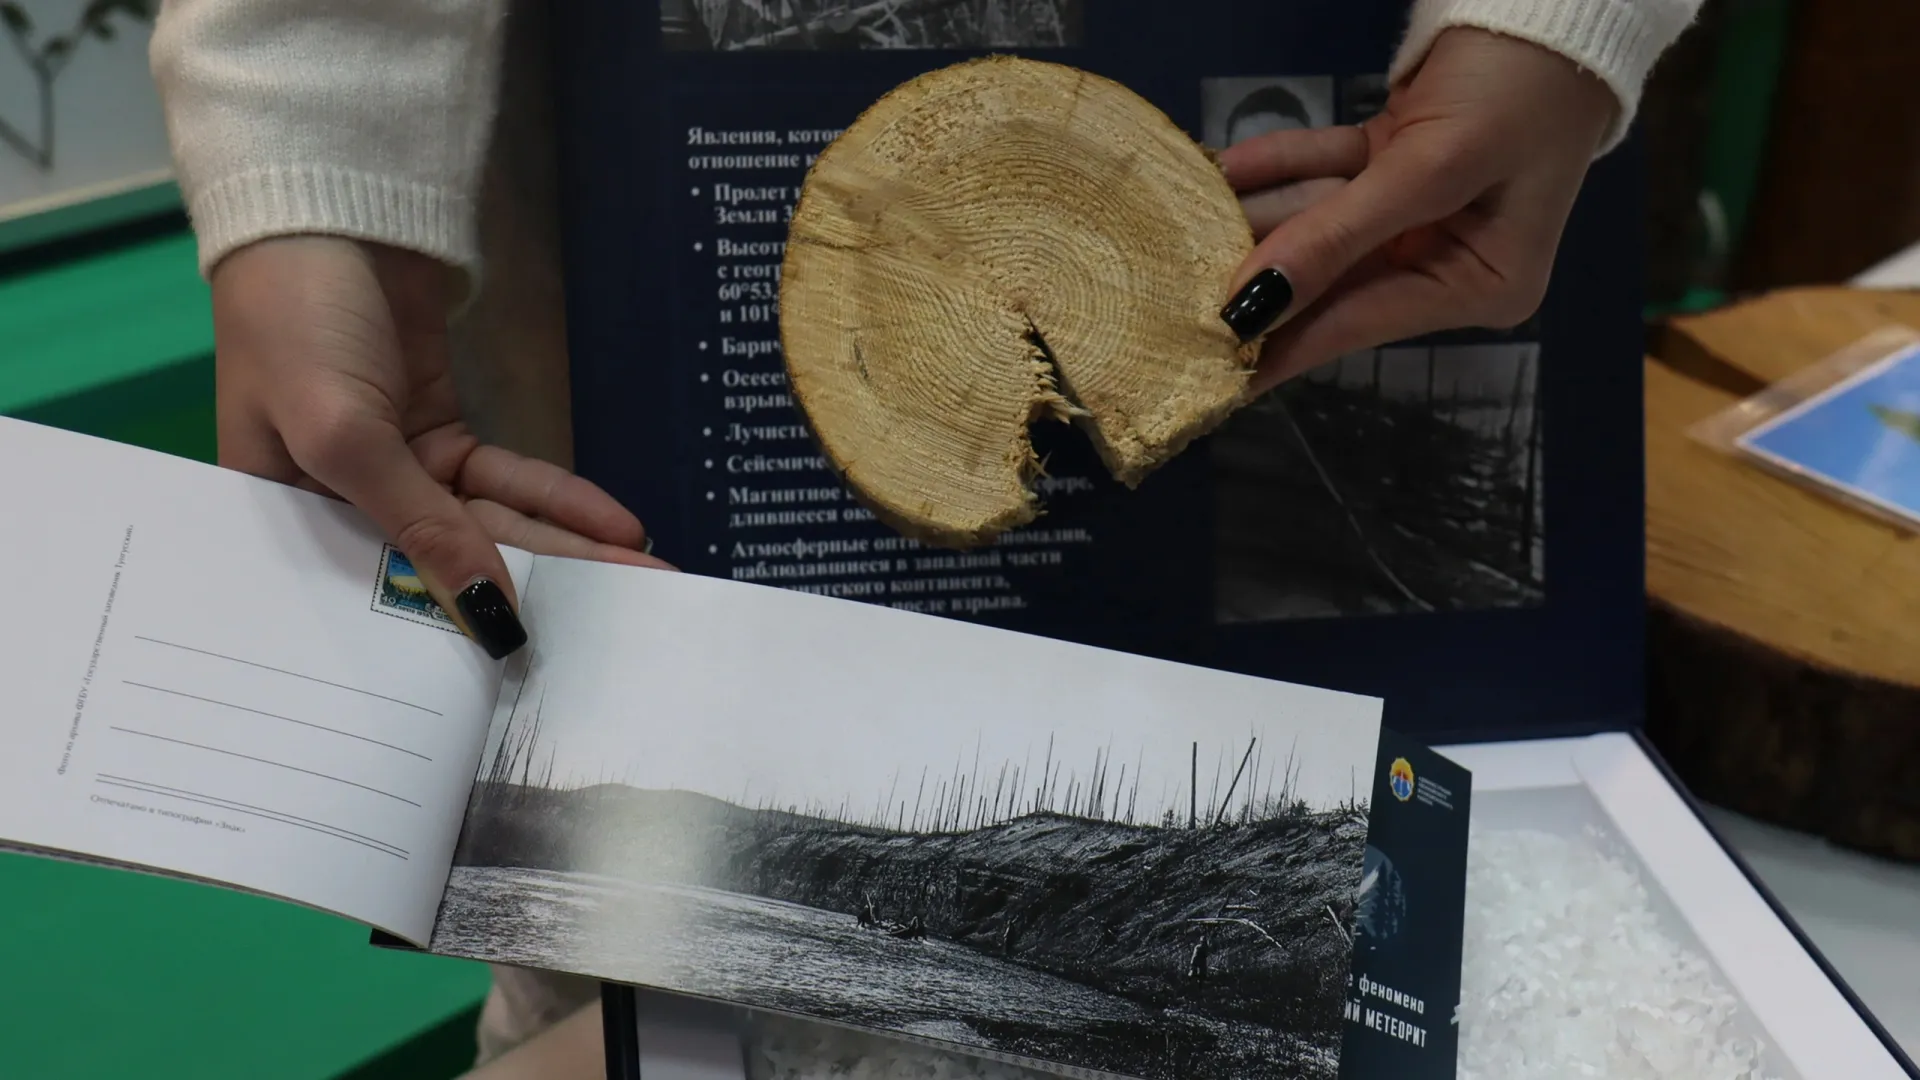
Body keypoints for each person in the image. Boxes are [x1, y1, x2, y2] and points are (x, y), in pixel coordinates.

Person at [145, 0, 1703, 1068]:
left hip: (1384, 178)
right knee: (641, 975)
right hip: (641, 309)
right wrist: (310, 160)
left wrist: (1557, 24)